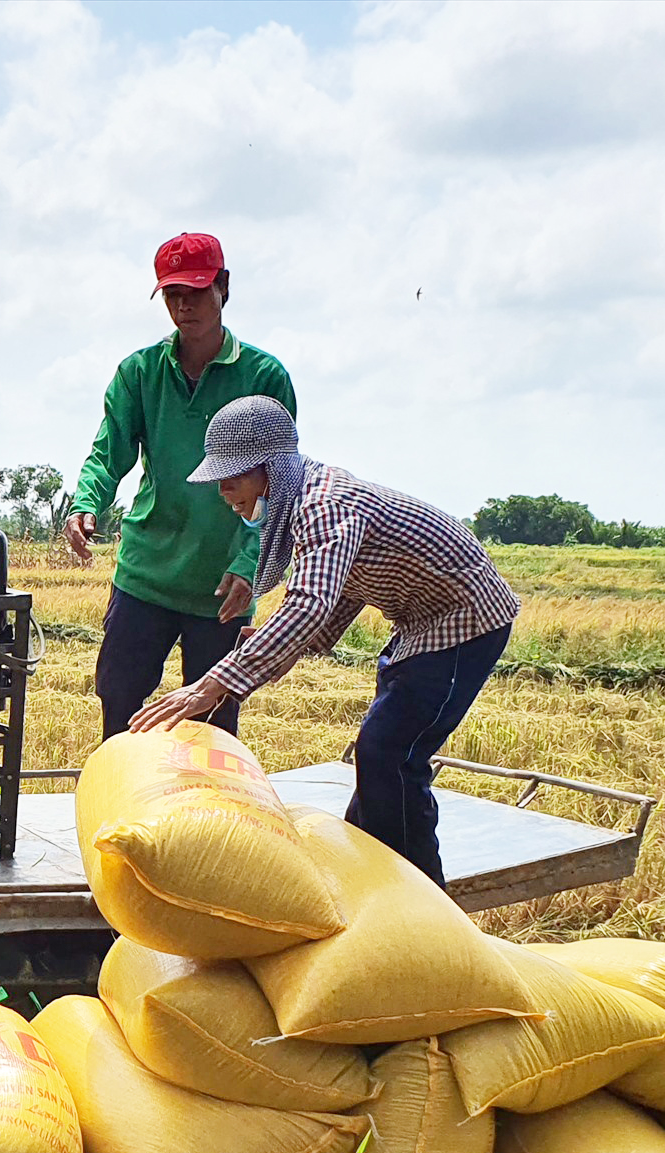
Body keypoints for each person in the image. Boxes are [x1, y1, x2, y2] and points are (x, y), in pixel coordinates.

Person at [130, 396, 519, 888]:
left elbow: (310, 602)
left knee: (391, 754)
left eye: (234, 476)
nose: (224, 490)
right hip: (418, 624)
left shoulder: (324, 505)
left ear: (271, 469)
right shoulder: (310, 499)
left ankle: (421, 898)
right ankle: (368, 873)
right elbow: (344, 588)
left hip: (463, 619)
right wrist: (294, 643)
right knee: (379, 752)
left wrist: (212, 685)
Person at [66, 231, 297, 741]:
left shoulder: (264, 377)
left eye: (194, 292)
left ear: (224, 287)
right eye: (172, 295)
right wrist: (86, 503)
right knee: (119, 698)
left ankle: (205, 797)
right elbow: (109, 453)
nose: (182, 306)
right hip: (146, 572)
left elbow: (280, 484)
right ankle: (124, 791)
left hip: (224, 584)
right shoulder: (140, 373)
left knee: (213, 721)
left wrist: (249, 564)